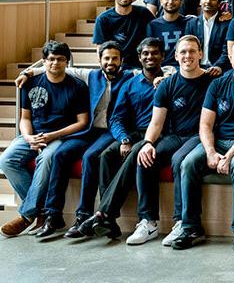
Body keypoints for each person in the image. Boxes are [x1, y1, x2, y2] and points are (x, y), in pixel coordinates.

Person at [77, 36, 209, 244]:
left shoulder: (210, 80)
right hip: (166, 135)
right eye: (183, 52)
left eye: (192, 51)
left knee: (178, 160)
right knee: (140, 156)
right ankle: (147, 221)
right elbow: (153, 123)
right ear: (175, 56)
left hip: (197, 136)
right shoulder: (159, 84)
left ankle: (181, 222)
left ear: (201, 54)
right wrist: (145, 144)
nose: (187, 56)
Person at [173, 40, 234, 251]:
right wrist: (210, 152)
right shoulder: (217, 84)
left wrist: (229, 155)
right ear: (230, 58)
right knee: (188, 163)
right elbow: (205, 124)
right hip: (217, 141)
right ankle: (190, 228)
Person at [0, 42, 89, 238]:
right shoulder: (30, 83)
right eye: (50, 59)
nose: (55, 63)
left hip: (59, 136)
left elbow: (82, 122)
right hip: (33, 134)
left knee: (47, 159)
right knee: (6, 160)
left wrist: (52, 136)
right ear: (44, 61)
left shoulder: (77, 86)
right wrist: (28, 137)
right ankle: (38, 211)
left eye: (59, 59)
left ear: (67, 62)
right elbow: (25, 118)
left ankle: (26, 215)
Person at [93, 0, 154, 68]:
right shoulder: (103, 19)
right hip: (116, 68)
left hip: (141, 68)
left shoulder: (144, 14)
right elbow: (100, 50)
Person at [183, 0, 230, 74]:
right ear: (200, 1)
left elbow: (227, 51)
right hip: (196, 68)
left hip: (219, 69)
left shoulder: (226, 24)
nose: (208, 1)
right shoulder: (192, 24)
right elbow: (187, 48)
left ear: (219, 3)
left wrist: (218, 66)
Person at [146, 0, 191, 67]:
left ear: (181, 2)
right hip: (161, 69)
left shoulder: (190, 23)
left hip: (184, 68)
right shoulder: (153, 25)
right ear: (161, 1)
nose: (170, 1)